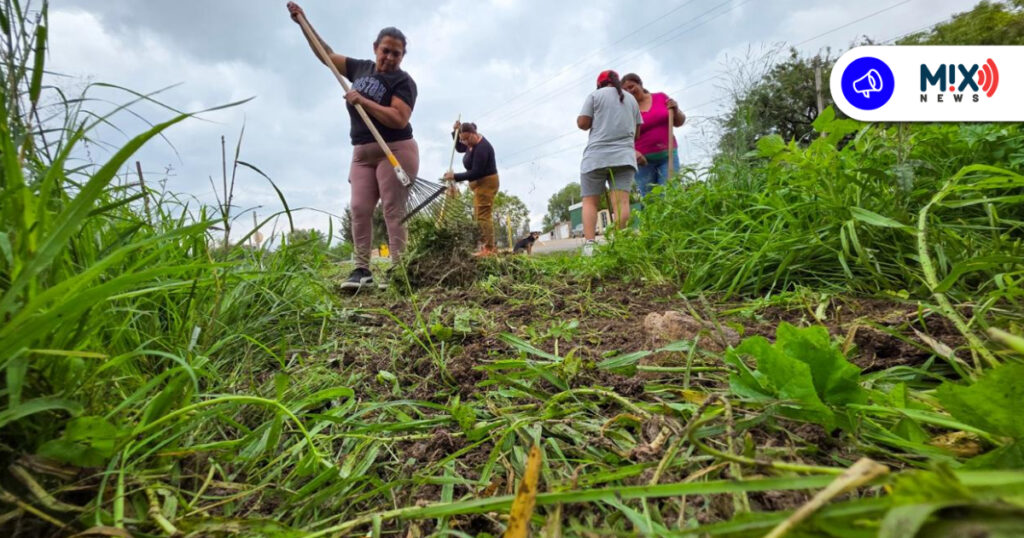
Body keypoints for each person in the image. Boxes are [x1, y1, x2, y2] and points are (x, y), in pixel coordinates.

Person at [287, 2, 419, 290]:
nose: (389, 57)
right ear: (376, 48)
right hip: (362, 153)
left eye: (396, 53)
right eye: (385, 50)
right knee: (359, 208)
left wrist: (363, 101)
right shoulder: (360, 68)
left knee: (392, 210)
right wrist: (304, 24)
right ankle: (362, 270)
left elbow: (398, 118)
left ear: (402, 56)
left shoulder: (403, 81)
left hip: (394, 149)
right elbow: (327, 55)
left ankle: (399, 271)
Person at [576, 70, 643, 257]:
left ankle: (590, 246)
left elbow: (583, 123)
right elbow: (637, 134)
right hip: (624, 157)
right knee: (621, 203)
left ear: (600, 84)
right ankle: (618, 243)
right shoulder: (631, 100)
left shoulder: (595, 96)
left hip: (596, 157)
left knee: (590, 201)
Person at [621, 73, 686, 198]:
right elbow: (621, 137)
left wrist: (676, 110)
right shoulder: (626, 110)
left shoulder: (661, 98)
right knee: (651, 200)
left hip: (668, 156)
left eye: (631, 86)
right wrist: (632, 152)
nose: (629, 91)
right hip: (643, 163)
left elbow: (680, 121)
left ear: (640, 84)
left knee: (670, 194)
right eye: (625, 90)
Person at [443, 122, 499, 256]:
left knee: (483, 216)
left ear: (474, 134)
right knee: (478, 215)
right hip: (478, 185)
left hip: (486, 182)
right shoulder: (470, 145)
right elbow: (459, 148)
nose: (465, 142)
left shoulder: (483, 148)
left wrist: (455, 176)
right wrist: (455, 133)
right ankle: (485, 247)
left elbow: (476, 173)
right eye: (463, 139)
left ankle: (489, 249)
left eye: (467, 138)